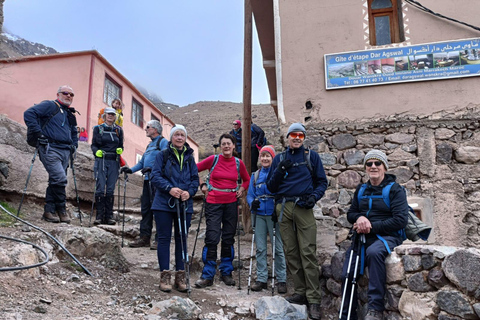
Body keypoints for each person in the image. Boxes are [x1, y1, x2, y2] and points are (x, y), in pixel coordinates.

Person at [266, 123, 327, 320]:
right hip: (284, 207)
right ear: (288, 137)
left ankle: (314, 299)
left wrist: (314, 197)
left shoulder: (311, 157)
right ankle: (300, 292)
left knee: (307, 251)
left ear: (304, 138)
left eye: (301, 135)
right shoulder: (279, 159)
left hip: (304, 207)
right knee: (291, 251)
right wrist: (279, 170)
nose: (297, 138)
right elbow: (270, 187)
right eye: (294, 134)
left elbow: (322, 182)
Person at [340, 150, 408, 320]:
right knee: (348, 270)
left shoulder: (396, 190)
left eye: (377, 163)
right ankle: (347, 314)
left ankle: (375, 309)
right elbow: (351, 213)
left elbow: (400, 220)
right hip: (362, 237)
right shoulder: (361, 189)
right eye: (369, 164)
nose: (373, 166)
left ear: (384, 166)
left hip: (388, 236)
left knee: (374, 252)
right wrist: (360, 217)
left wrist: (371, 227)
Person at [195, 133, 250, 288]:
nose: (226, 146)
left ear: (233, 146)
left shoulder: (239, 163)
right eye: (223, 144)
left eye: (229, 143)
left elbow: (247, 179)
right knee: (212, 238)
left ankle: (226, 272)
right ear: (220, 146)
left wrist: (242, 189)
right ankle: (208, 275)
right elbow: (194, 169)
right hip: (213, 203)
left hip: (231, 204)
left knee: (228, 238)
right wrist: (202, 185)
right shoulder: (214, 160)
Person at [150, 125, 199, 293]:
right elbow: (154, 176)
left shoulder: (190, 158)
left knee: (181, 238)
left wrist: (189, 192)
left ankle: (180, 276)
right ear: (171, 138)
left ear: (185, 138)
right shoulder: (162, 155)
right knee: (164, 238)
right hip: (164, 202)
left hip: (184, 204)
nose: (179, 137)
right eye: (176, 135)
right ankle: (165, 276)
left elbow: (195, 179)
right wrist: (169, 188)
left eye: (182, 135)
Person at [23, 85, 79, 223]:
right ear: (58, 94)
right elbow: (29, 114)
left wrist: (74, 145)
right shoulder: (49, 105)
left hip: (65, 150)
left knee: (56, 179)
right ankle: (61, 209)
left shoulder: (69, 114)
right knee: (60, 178)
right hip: (50, 147)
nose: (69, 96)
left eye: (72, 95)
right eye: (66, 93)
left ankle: (49, 211)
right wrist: (38, 133)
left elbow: (73, 131)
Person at [246, 145, 287, 294]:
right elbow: (250, 194)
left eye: (267, 156)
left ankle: (281, 279)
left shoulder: (277, 174)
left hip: (274, 214)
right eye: (262, 156)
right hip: (259, 214)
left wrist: (278, 207)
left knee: (278, 248)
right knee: (261, 248)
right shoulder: (255, 176)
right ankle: (262, 279)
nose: (264, 158)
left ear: (273, 158)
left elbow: (282, 191)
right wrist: (252, 203)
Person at [121, 120, 168, 249]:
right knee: (146, 209)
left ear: (156, 129)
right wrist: (130, 170)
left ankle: (160, 239)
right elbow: (142, 163)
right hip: (147, 180)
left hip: (157, 181)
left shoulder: (162, 142)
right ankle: (144, 238)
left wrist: (154, 169)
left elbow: (166, 159)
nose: (145, 129)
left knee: (158, 209)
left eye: (148, 127)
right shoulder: (150, 145)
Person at [91, 107, 124, 225]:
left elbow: (121, 145)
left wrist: (120, 150)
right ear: (104, 116)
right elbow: (94, 145)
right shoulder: (97, 129)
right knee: (100, 186)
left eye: (112, 114)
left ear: (115, 116)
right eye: (108, 114)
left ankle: (109, 216)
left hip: (114, 160)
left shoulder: (119, 130)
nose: (110, 116)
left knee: (110, 188)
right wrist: (96, 152)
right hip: (102, 160)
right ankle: (99, 216)